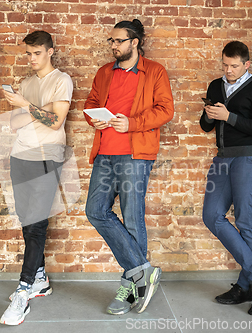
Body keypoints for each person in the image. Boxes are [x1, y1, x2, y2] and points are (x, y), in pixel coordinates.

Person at [83, 19, 174, 315]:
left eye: (118, 41)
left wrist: (131, 123)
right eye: (112, 41)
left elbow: (166, 110)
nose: (113, 46)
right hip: (105, 153)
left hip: (135, 154)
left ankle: (129, 287)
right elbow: (92, 101)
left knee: (132, 218)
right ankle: (142, 271)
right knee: (96, 211)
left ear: (135, 42)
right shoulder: (103, 73)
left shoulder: (155, 71)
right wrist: (92, 119)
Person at [0, 30, 73, 325]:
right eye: (28, 53)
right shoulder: (25, 83)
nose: (31, 59)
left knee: (38, 221)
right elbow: (14, 123)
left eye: (37, 53)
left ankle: (24, 288)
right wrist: (30, 109)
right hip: (20, 155)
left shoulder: (61, 80)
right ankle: (40, 277)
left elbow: (56, 123)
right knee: (27, 219)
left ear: (50, 52)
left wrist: (25, 106)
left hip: (47, 155)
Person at [200, 41, 252, 315]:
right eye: (225, 65)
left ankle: (245, 286)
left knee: (245, 221)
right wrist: (210, 116)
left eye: (234, 66)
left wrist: (228, 116)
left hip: (250, 158)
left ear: (246, 64)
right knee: (211, 215)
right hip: (223, 157)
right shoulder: (215, 85)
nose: (228, 71)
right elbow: (206, 125)